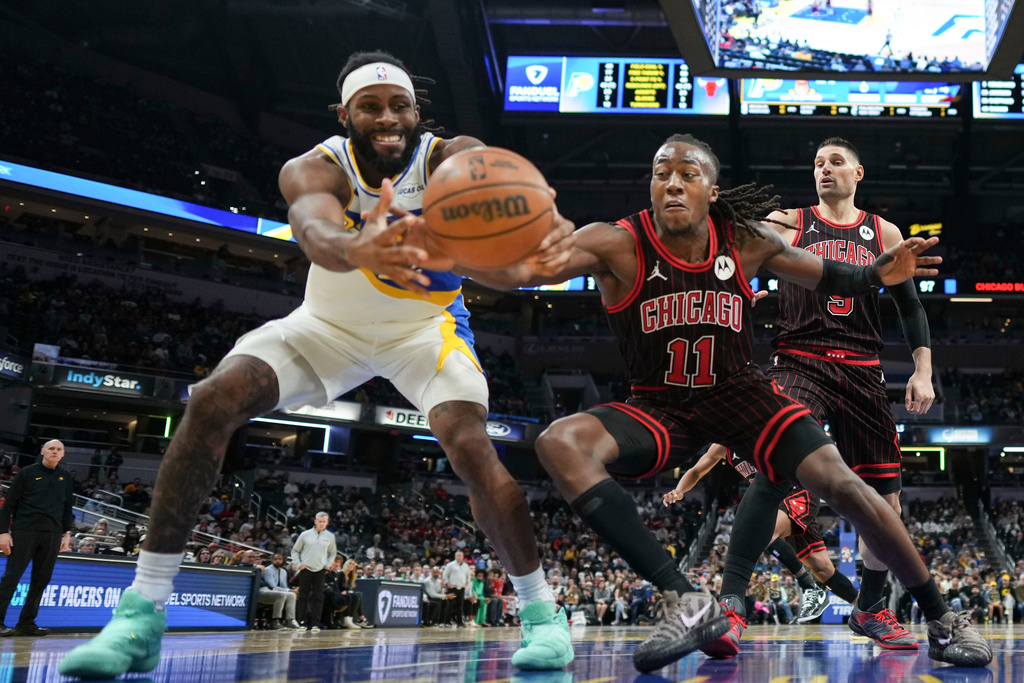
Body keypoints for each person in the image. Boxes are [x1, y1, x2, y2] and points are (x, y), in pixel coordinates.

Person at [59, 50, 572, 679]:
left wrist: (523, 240)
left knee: (470, 447)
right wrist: (361, 244)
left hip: (425, 331)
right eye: (371, 107)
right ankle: (140, 616)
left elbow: (491, 222)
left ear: (417, 111)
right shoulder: (314, 166)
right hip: (327, 327)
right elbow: (315, 233)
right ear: (344, 114)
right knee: (211, 399)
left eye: (399, 105)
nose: (388, 117)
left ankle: (543, 616)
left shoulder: (449, 155)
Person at [464, 133, 989, 671]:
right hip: (660, 403)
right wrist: (450, 249)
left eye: (687, 174)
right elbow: (519, 271)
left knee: (845, 485)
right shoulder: (615, 241)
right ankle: (690, 601)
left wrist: (879, 274)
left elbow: (834, 276)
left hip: (742, 395)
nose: (671, 182)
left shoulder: (746, 239)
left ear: (712, 190)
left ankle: (942, 619)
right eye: (661, 171)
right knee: (559, 442)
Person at [759, 136, 933, 646]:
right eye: (817, 163)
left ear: (858, 174)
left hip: (862, 366)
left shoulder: (884, 231)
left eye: (836, 162)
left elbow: (910, 307)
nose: (825, 169)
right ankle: (725, 600)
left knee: (887, 504)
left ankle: (872, 608)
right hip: (800, 360)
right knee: (776, 475)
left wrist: (922, 369)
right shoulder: (785, 221)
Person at [664, 443, 859, 624]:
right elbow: (696, 470)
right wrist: (679, 490)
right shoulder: (722, 446)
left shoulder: (756, 429)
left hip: (798, 489)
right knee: (824, 569)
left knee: (763, 533)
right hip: (775, 502)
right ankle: (865, 609)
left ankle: (810, 587)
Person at [0, 439, 75, 637]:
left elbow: (67, 509)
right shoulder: (27, 473)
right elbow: (8, 505)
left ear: (63, 454)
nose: (55, 452)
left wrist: (66, 534)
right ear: (43, 451)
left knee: (41, 579)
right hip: (25, 531)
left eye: (59, 449)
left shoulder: (65, 477)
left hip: (52, 534)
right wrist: (3, 533)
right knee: (12, 577)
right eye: (51, 448)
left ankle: (27, 623)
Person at [290, 512, 336, 631]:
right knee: (303, 596)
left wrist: (328, 565)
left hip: (320, 570)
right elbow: (295, 550)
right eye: (319, 521)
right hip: (306, 569)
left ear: (327, 522)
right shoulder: (305, 535)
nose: (321, 524)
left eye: (324, 522)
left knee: (318, 597)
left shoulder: (330, 537)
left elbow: (332, 553)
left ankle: (315, 623)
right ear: (315, 521)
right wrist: (299, 564)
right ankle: (302, 623)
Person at [259, 552, 299, 630]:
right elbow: (272, 586)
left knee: (292, 595)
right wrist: (289, 590)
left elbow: (284, 586)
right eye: (275, 559)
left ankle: (289, 620)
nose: (277, 561)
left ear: (283, 560)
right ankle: (275, 621)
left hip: (277, 592)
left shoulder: (284, 571)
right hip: (268, 592)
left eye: (279, 559)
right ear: (271, 560)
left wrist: (290, 591)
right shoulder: (268, 570)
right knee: (282, 594)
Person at [442, 550, 474, 626]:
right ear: (455, 556)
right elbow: (445, 575)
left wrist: (466, 585)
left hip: (461, 588)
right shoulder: (450, 565)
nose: (459, 557)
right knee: (450, 605)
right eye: (458, 555)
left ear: (463, 557)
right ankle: (447, 621)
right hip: (452, 588)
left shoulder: (465, 566)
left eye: (460, 555)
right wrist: (449, 584)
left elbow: (468, 577)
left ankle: (460, 622)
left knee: (460, 606)